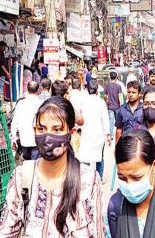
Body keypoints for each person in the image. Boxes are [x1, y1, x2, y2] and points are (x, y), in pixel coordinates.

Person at [0, 96, 104, 237]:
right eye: (41, 129)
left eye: (57, 130)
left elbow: (97, 233)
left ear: (70, 134)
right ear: (34, 130)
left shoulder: (88, 180)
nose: (48, 137)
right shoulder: (22, 176)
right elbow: (6, 230)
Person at [79, 80, 111, 179]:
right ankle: (99, 178)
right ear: (97, 91)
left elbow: (80, 118)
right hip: (99, 134)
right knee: (99, 158)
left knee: (85, 157)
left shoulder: (83, 101)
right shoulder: (101, 102)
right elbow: (105, 119)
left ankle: (85, 178)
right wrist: (108, 134)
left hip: (86, 133)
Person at [10, 81, 42, 160]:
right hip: (37, 139)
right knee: (35, 163)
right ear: (38, 90)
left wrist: (13, 137)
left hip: (24, 139)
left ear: (27, 90)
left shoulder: (20, 103)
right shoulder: (41, 103)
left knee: (27, 162)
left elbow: (15, 121)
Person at [105, 71, 123, 139]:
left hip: (110, 106)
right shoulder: (118, 86)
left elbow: (105, 96)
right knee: (118, 121)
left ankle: (111, 135)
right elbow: (120, 97)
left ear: (110, 77)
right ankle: (119, 134)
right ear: (116, 78)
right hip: (117, 106)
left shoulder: (107, 85)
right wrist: (121, 105)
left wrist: (107, 102)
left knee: (111, 121)